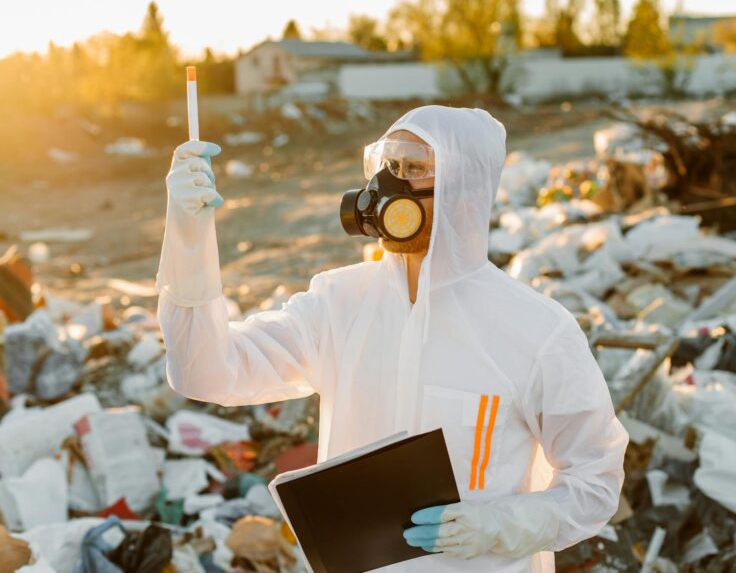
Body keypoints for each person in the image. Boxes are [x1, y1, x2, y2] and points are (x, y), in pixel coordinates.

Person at [157, 105, 629, 572]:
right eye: (389, 166)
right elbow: (206, 372)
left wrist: (497, 525)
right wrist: (188, 239)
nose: (388, 186)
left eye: (415, 168)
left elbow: (595, 483)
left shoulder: (536, 330)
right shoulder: (337, 304)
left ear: (465, 192)